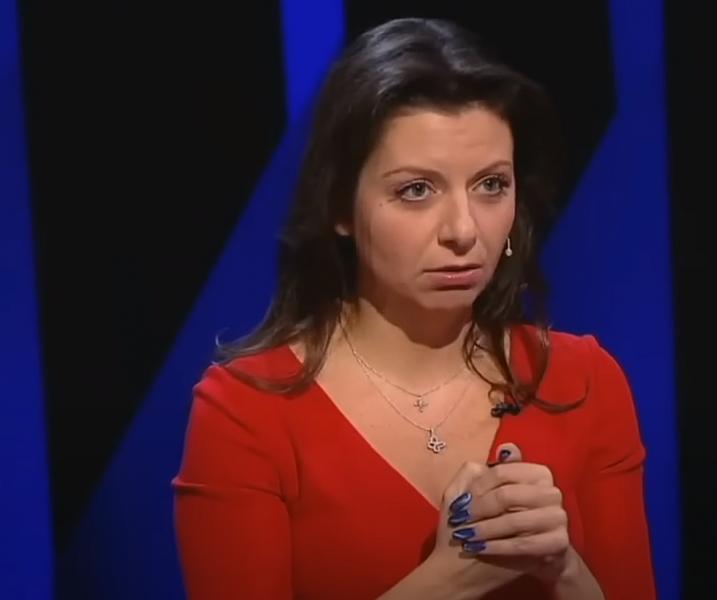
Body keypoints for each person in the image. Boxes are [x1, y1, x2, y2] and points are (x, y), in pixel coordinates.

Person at [171, 16, 656, 600]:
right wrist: (451, 578)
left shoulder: (585, 382)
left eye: (491, 185)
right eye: (416, 190)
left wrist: (564, 569)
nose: (463, 230)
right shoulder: (246, 413)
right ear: (340, 207)